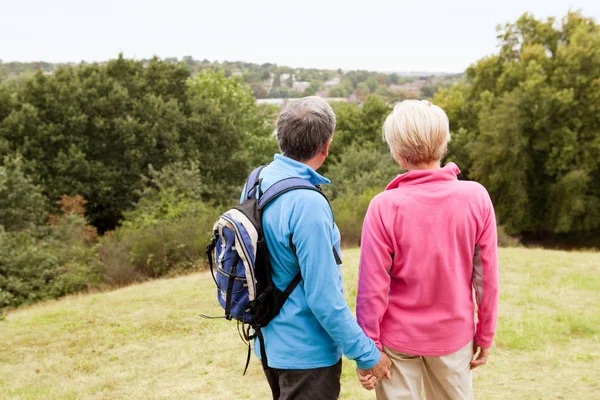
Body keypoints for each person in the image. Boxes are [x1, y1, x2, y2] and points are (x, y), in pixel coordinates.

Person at [247, 96, 391, 400]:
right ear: (326, 146)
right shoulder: (308, 204)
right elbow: (324, 299)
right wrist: (367, 354)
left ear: (281, 137)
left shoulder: (259, 180)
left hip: (269, 341)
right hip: (306, 355)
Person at [356, 100, 499, 399]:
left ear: (397, 151)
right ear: (444, 142)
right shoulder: (477, 198)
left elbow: (371, 288)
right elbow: (486, 279)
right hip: (454, 337)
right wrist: (485, 333)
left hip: (395, 340)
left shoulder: (383, 207)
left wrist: (367, 350)